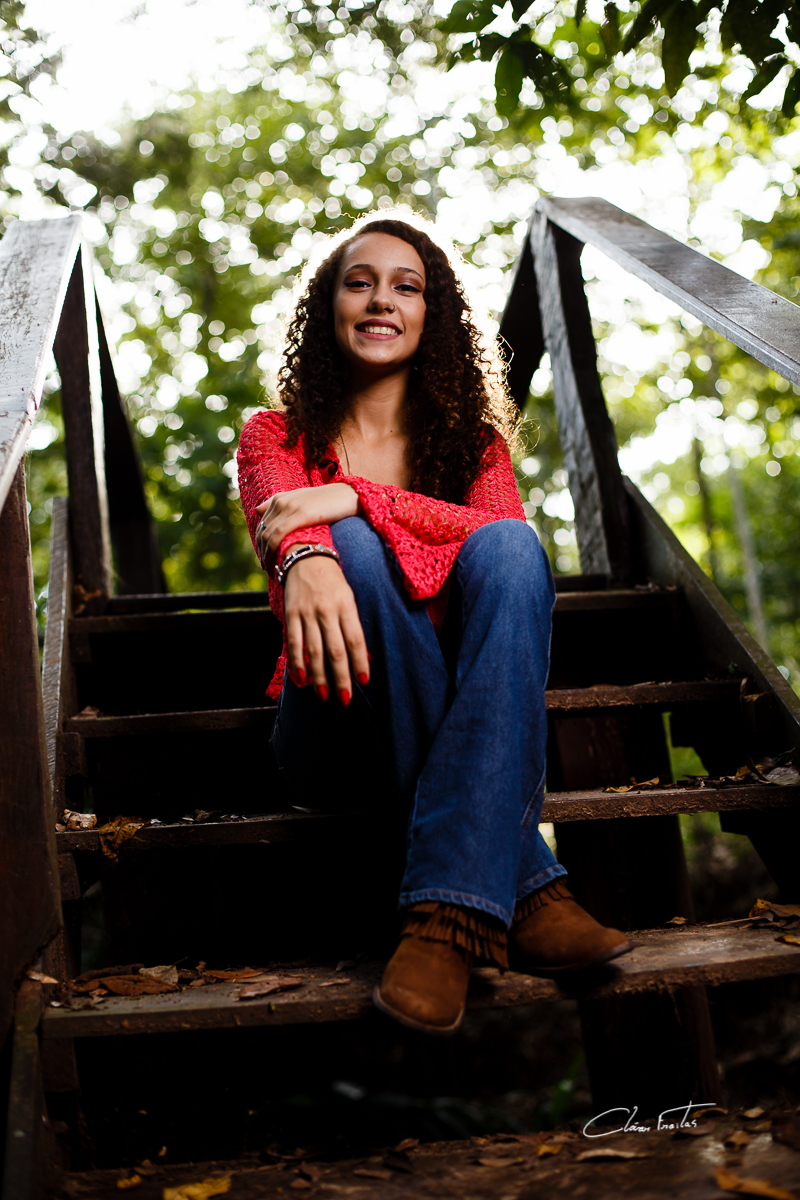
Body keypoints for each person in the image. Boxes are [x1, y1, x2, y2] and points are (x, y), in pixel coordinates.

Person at [237, 213, 632, 1036]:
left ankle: (441, 925)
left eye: (406, 286)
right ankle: (527, 886)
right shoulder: (277, 437)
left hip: (455, 715)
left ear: (432, 312)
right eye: (360, 281)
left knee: (513, 551)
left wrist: (357, 495)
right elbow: (287, 529)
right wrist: (310, 551)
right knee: (350, 547)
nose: (383, 300)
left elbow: (499, 540)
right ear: (329, 306)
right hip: (330, 725)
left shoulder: (474, 447)